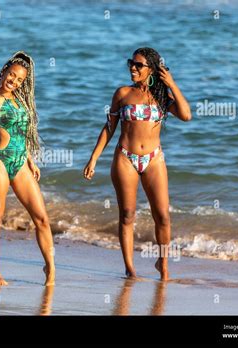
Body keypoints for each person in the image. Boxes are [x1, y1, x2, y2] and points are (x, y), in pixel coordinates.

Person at [83, 47, 192, 281]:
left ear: (151, 69)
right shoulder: (122, 93)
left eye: (138, 65)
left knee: (162, 216)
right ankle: (129, 269)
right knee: (127, 214)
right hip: (125, 157)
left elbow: (186, 115)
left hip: (154, 159)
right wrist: (94, 157)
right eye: (131, 63)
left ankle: (162, 264)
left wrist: (171, 84)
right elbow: (109, 127)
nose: (133, 67)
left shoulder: (163, 97)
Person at [0, 51, 55, 286]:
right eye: (12, 75)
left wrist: (31, 160)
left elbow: (22, 133)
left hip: (21, 162)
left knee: (41, 218)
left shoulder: (20, 100)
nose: (14, 81)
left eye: (20, 79)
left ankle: (50, 268)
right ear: (4, 72)